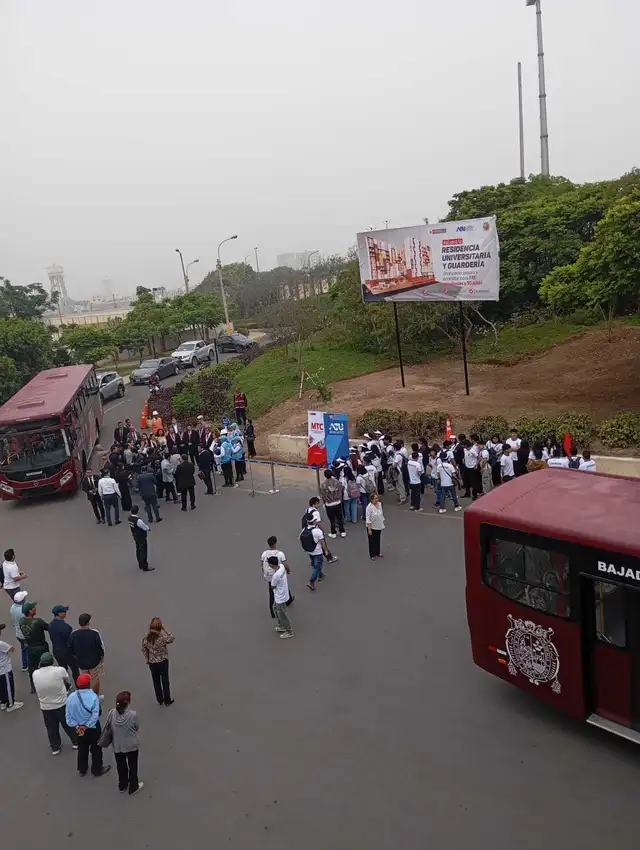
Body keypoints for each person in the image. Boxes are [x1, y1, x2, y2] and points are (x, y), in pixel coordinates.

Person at [65, 673, 110, 778]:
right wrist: (87, 725)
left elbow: (68, 717)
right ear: (88, 684)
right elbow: (96, 715)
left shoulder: (71, 697)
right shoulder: (93, 697)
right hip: (92, 728)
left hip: (79, 728)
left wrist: (77, 726)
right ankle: (97, 769)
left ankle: (82, 769)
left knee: (82, 747)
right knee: (96, 748)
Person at [32, 652, 77, 755]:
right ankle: (75, 742)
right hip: (61, 703)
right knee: (68, 724)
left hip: (45, 706)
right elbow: (67, 680)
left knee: (51, 728)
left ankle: (55, 747)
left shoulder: (35, 673)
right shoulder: (59, 670)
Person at [109, 691, 143, 795]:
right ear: (128, 703)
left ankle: (122, 785)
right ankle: (133, 786)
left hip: (118, 745)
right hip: (131, 745)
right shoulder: (132, 715)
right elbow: (136, 727)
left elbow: (109, 726)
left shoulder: (112, 713)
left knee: (121, 765)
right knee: (133, 765)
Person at [68, 613, 104, 696]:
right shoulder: (94, 634)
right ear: (88, 622)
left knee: (84, 679)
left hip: (81, 663)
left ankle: (85, 695)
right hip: (94, 662)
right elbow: (99, 647)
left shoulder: (74, 635)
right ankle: (95, 696)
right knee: (95, 679)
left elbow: (71, 649)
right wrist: (101, 658)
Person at [141, 618, 174, 706]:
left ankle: (160, 700)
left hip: (152, 663)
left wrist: (148, 658)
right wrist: (165, 629)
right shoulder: (162, 638)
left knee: (156, 681)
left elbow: (143, 649)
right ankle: (167, 700)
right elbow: (171, 638)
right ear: (159, 628)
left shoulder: (146, 638)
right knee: (165, 681)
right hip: (163, 662)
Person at [19, 600, 50, 690]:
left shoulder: (21, 621)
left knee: (32, 667)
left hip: (30, 647)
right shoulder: (37, 621)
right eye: (33, 608)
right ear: (30, 611)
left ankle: (33, 685)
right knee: (46, 665)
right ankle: (46, 683)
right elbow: (48, 627)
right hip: (41, 646)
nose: (35, 609)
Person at [261, 536, 294, 618]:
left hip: (268, 576)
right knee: (283, 585)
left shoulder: (264, 553)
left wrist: (264, 573)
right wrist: (288, 570)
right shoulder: (280, 554)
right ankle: (287, 601)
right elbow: (285, 564)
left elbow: (262, 564)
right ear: (275, 543)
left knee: (271, 591)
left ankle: (273, 610)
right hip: (277, 574)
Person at [49, 605, 80, 682]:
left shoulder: (50, 625)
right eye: (64, 611)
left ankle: (66, 685)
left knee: (63, 669)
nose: (65, 613)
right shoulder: (66, 627)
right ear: (59, 614)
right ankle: (78, 685)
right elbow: (70, 642)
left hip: (56, 651)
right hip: (67, 652)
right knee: (75, 668)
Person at [300, 518, 331, 591]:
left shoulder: (304, 530)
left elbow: (301, 539)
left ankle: (320, 575)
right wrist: (326, 550)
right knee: (317, 567)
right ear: (313, 522)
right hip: (317, 552)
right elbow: (322, 542)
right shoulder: (317, 531)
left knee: (315, 564)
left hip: (309, 551)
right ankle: (311, 582)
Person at [0, 622, 24, 712]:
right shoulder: (1, 643)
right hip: (4, 668)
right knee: (9, 686)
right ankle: (11, 704)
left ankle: (3, 702)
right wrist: (9, 646)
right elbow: (12, 649)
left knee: (1, 687)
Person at [270, 557, 294, 639]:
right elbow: (285, 566)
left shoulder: (276, 576)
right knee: (274, 608)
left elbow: (272, 586)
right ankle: (281, 625)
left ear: (271, 565)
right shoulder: (281, 567)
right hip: (283, 594)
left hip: (280, 597)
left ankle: (289, 631)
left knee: (282, 615)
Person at [320, 469, 346, 537]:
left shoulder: (323, 485)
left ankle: (333, 532)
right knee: (340, 518)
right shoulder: (337, 482)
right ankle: (342, 531)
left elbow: (323, 495)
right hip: (337, 502)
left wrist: (325, 502)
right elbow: (341, 491)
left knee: (332, 519)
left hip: (329, 504)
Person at [128, 506, 154, 572]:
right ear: (137, 511)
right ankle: (145, 566)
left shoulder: (130, 518)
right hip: (141, 536)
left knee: (138, 549)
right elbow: (144, 527)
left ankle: (140, 564)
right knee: (143, 551)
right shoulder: (138, 520)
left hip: (135, 536)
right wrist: (148, 528)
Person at [9, 589, 29, 672]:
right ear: (22, 600)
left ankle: (25, 665)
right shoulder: (23, 610)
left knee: (24, 649)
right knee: (28, 650)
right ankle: (28, 666)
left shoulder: (12, 608)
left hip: (18, 633)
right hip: (24, 634)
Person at [365, 492, 385, 559]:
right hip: (372, 526)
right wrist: (369, 529)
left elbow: (381, 513)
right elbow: (368, 519)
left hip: (378, 525)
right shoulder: (369, 507)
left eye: (377, 498)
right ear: (371, 500)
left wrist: (381, 522)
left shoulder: (379, 504)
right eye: (375, 498)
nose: (377, 499)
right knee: (372, 541)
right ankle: (372, 555)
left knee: (377, 539)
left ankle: (377, 552)